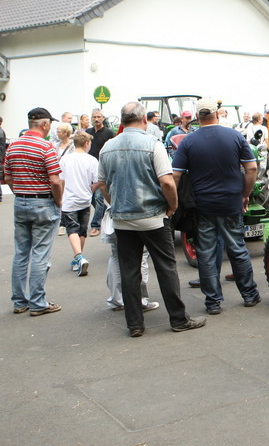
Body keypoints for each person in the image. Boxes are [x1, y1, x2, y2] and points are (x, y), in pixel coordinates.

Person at [98, 101, 205, 337]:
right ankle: (178, 319)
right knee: (166, 268)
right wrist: (172, 206)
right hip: (153, 217)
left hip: (123, 219)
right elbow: (167, 181)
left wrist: (116, 203)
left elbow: (102, 184)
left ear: (122, 121)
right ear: (144, 119)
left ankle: (135, 324)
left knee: (129, 271)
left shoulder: (107, 147)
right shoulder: (152, 144)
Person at [172, 98, 261, 314]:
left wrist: (173, 203)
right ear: (217, 114)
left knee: (206, 253)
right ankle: (249, 295)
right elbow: (251, 168)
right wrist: (245, 194)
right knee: (237, 248)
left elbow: (175, 175)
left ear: (197, 116)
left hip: (203, 206)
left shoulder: (188, 141)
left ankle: (213, 302)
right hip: (231, 202)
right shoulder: (235, 136)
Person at [4, 107, 64, 316]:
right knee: (40, 254)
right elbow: (55, 180)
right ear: (45, 124)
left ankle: (19, 301)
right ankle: (38, 302)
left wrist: (21, 193)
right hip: (43, 203)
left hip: (21, 202)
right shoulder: (46, 147)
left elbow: (8, 177)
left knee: (21, 253)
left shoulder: (13, 146)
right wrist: (58, 201)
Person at [59, 131, 98, 276]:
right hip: (85, 199)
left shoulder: (65, 159)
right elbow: (97, 181)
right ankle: (78, 258)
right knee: (82, 230)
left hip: (69, 199)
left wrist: (60, 197)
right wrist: (90, 190)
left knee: (72, 229)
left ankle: (79, 257)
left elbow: (61, 180)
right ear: (86, 143)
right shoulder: (92, 160)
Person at [87, 108, 115, 237]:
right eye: (94, 117)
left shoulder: (109, 133)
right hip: (88, 168)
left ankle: (95, 225)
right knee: (91, 197)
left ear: (103, 118)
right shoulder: (88, 132)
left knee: (98, 197)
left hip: (101, 168)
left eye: (99, 117)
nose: (96, 119)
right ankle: (103, 212)